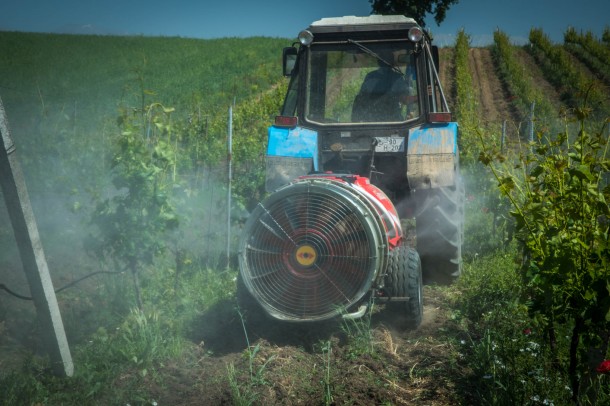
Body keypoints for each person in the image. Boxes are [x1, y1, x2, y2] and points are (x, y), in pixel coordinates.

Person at [351, 50, 412, 122]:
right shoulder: (397, 78)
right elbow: (405, 100)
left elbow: (361, 99)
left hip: (370, 122)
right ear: (393, 62)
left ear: (378, 62)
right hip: (393, 123)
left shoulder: (370, 77)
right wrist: (421, 96)